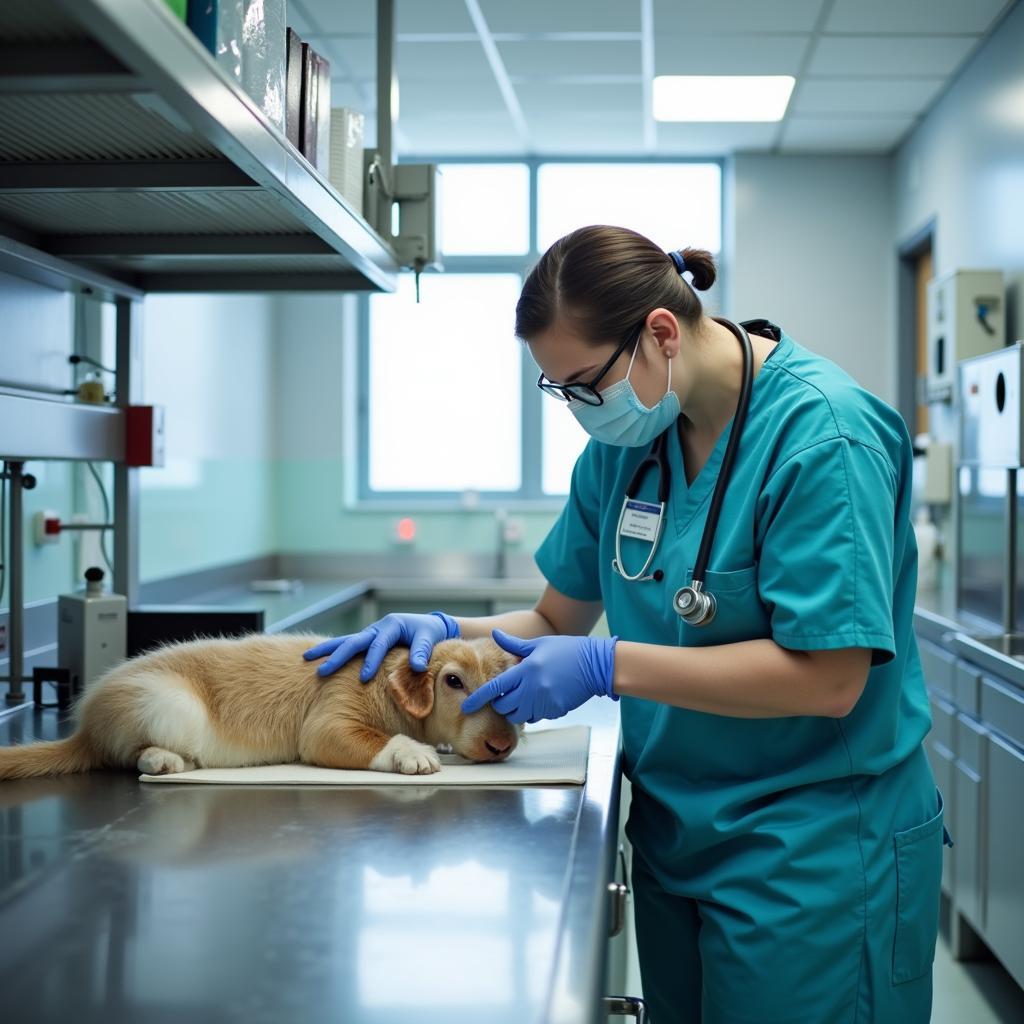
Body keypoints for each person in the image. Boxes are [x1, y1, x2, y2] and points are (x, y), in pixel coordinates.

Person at [305, 225, 946, 1023]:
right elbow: (551, 615)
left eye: (583, 383)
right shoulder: (628, 445)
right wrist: (438, 627)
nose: (579, 410)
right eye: (558, 390)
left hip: (814, 849)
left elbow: (831, 679)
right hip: (678, 836)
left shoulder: (825, 437)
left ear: (662, 334)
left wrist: (609, 666)